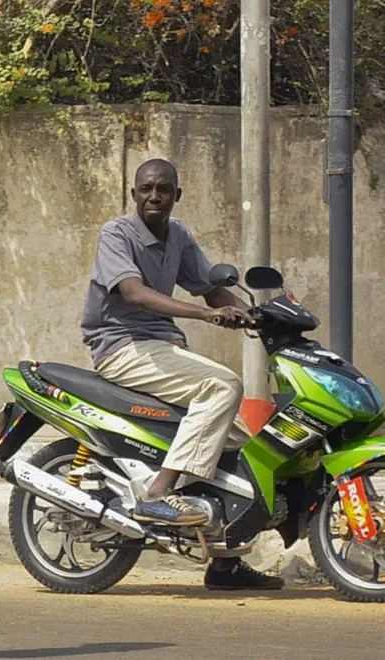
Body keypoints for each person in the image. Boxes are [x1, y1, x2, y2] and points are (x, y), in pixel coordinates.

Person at [80, 158, 284, 590]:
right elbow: (135, 295)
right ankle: (159, 494)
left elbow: (210, 288)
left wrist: (257, 315)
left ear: (178, 194)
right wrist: (207, 316)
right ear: (134, 194)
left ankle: (224, 565)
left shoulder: (180, 236)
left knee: (243, 453)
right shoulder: (116, 233)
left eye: (164, 189)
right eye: (146, 189)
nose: (154, 196)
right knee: (223, 384)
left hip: (163, 347)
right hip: (121, 346)